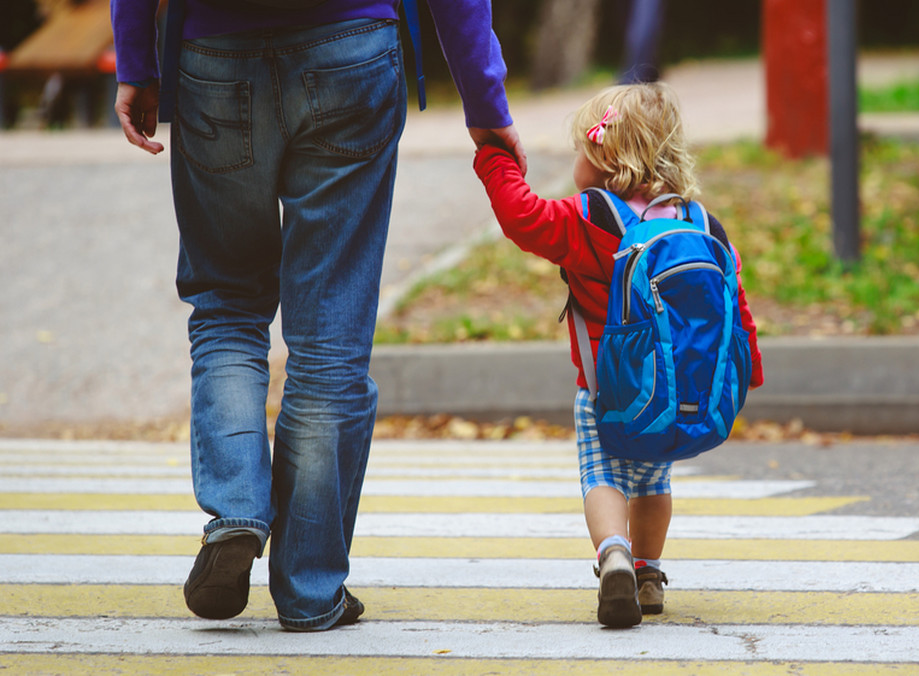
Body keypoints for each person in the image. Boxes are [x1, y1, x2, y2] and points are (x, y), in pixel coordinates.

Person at [111, 0, 525, 632]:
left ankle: (237, 513)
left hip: (215, 54)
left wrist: (136, 61)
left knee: (226, 305)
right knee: (329, 336)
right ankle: (309, 591)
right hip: (351, 49)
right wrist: (484, 102)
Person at [473, 82, 764, 628]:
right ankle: (650, 572)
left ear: (605, 159)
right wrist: (748, 366)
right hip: (672, 392)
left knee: (602, 476)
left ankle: (614, 557)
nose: (574, 162)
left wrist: (494, 159)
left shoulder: (591, 218)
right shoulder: (701, 225)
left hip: (605, 391)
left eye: (580, 150)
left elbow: (521, 216)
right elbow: (733, 297)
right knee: (654, 482)